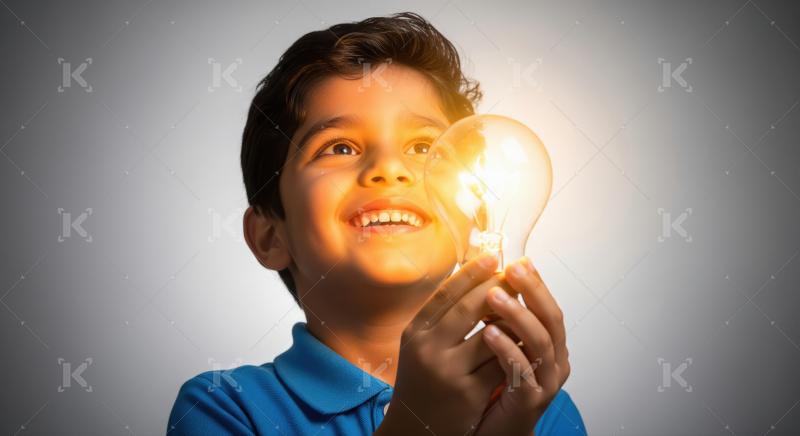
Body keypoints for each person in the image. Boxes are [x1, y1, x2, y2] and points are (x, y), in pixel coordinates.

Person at [168, 12, 587, 435]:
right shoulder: (225, 406)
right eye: (340, 147)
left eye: (424, 146)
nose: (389, 168)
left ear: (471, 212)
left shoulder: (538, 406)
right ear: (269, 236)